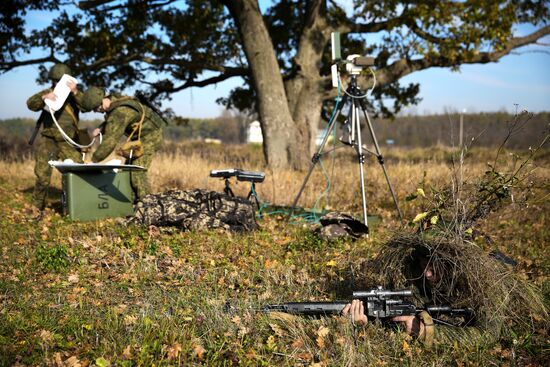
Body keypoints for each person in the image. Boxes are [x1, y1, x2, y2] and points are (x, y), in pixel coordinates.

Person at [342, 234, 547, 347]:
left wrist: (423, 331)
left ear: (453, 265)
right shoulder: (415, 275)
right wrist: (367, 323)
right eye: (425, 265)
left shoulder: (487, 283)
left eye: (435, 266)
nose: (428, 274)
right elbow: (406, 312)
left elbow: (486, 335)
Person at [80, 87, 166, 200]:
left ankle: (149, 207)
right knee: (127, 172)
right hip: (142, 137)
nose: (96, 111)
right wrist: (102, 127)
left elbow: (110, 141)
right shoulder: (115, 101)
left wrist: (93, 161)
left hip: (151, 137)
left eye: (95, 108)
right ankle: (132, 205)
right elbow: (114, 121)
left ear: (102, 101)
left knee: (137, 173)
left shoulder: (119, 112)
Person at [26, 63, 83, 212]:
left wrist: (75, 92)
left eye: (61, 81)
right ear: (52, 80)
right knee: (42, 175)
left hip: (67, 141)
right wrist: (44, 97)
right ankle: (37, 206)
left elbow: (87, 105)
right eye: (56, 81)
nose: (58, 84)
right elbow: (30, 104)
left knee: (78, 171)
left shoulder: (74, 96)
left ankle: (77, 205)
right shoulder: (48, 92)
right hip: (48, 139)